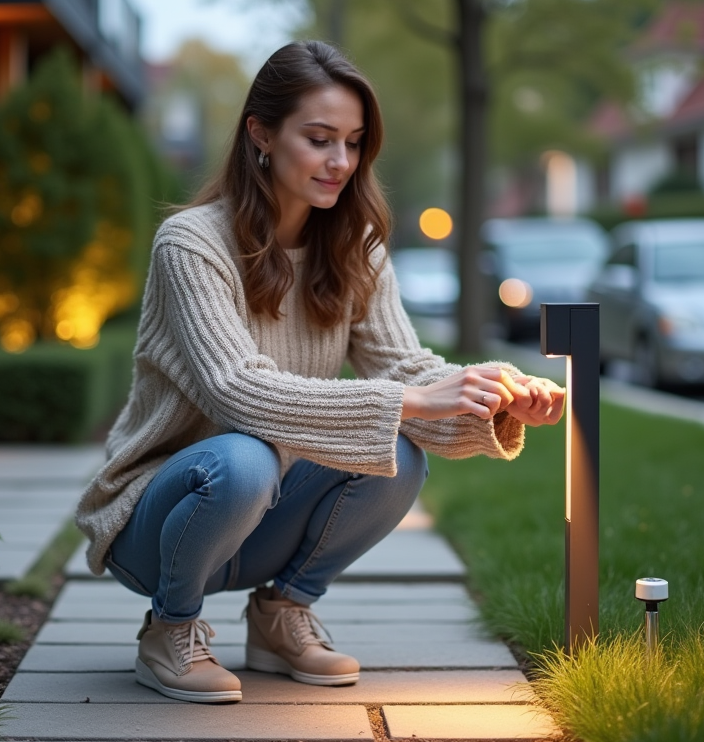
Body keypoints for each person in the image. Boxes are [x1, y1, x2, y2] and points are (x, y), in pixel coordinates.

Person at [75, 40, 564, 705]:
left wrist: (494, 394)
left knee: (398, 453)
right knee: (246, 459)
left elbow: (405, 366)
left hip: (263, 516)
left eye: (354, 143)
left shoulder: (355, 245)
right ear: (261, 134)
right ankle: (171, 628)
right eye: (319, 139)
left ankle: (282, 613)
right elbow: (237, 390)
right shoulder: (192, 242)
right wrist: (413, 400)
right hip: (158, 522)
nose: (341, 162)